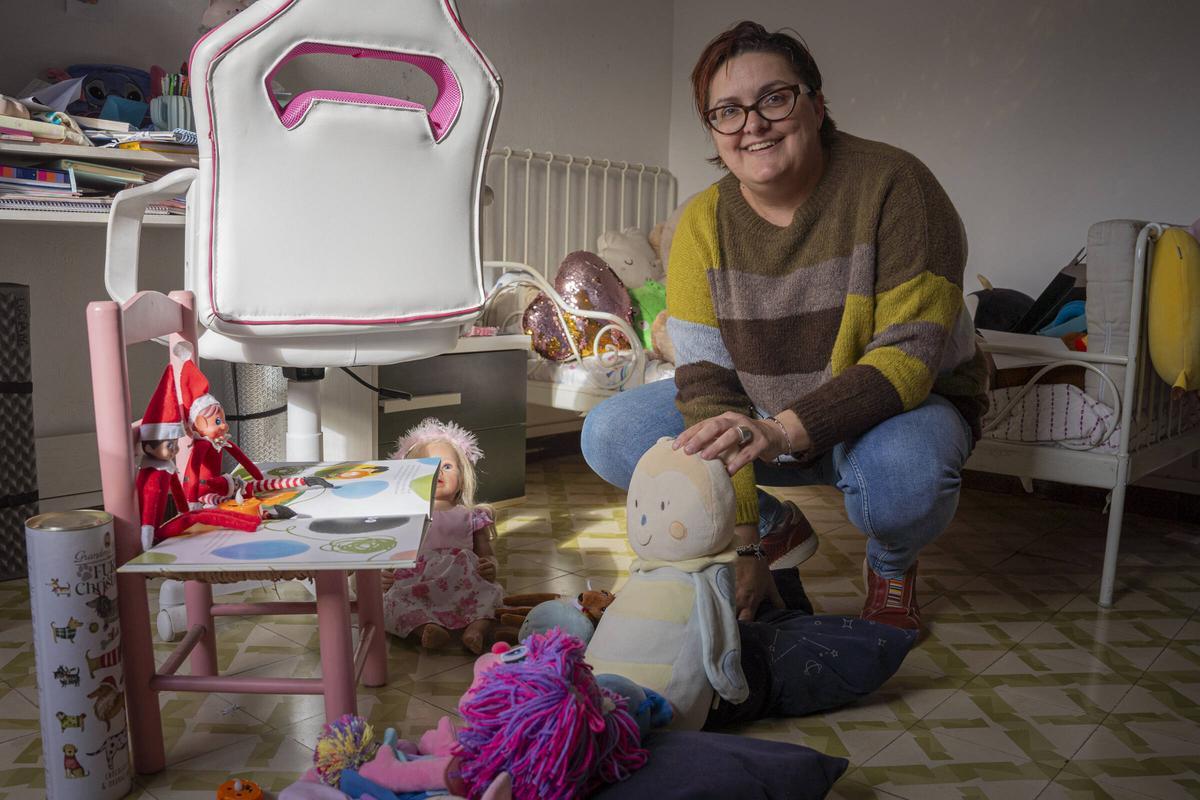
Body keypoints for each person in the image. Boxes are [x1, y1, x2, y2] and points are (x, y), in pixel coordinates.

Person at [582, 20, 988, 631]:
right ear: (713, 129)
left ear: (816, 104)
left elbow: (906, 359)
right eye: (727, 111)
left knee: (906, 481)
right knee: (610, 434)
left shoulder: (896, 185)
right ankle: (780, 530)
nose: (752, 125)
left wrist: (778, 431)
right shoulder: (701, 223)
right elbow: (709, 395)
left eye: (774, 98)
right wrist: (747, 543)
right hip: (761, 415)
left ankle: (893, 562)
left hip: (893, 409)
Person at [383, 418, 503, 654]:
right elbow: (389, 553)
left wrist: (490, 566)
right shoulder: (405, 516)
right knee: (388, 604)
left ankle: (475, 630)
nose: (438, 472)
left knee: (494, 594)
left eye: (447, 466)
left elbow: (486, 555)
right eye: (427, 467)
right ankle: (425, 629)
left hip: (463, 585)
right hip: (416, 586)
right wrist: (384, 575)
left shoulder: (471, 516)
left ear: (462, 477)